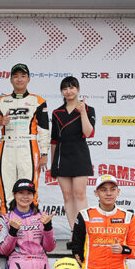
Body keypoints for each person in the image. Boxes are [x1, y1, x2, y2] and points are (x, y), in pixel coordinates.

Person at [0, 63, 50, 214]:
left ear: (28, 79)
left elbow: (44, 130)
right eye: (15, 76)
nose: (19, 79)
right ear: (11, 80)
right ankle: (5, 223)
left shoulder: (38, 101)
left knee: (29, 189)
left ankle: (32, 223)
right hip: (7, 146)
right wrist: (0, 123)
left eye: (23, 76)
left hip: (28, 147)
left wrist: (44, 153)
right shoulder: (0, 102)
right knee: (6, 189)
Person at [50, 76, 96, 226]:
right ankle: (73, 231)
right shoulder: (57, 112)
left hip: (80, 156)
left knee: (80, 194)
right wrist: (53, 164)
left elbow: (88, 133)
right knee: (67, 196)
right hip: (61, 157)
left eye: (71, 87)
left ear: (78, 89)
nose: (68, 91)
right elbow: (54, 140)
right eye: (65, 88)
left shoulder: (88, 109)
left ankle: (83, 231)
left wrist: (82, 112)